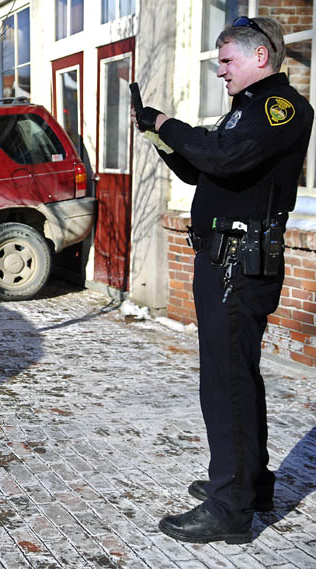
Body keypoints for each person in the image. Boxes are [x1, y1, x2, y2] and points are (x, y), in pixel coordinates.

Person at [132, 17, 313, 544]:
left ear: (261, 58)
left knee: (226, 380)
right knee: (236, 374)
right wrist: (160, 137)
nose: (220, 71)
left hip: (240, 261)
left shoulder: (279, 109)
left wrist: (168, 122)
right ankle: (249, 483)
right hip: (225, 258)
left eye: (227, 61)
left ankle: (230, 506)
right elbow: (202, 168)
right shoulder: (245, 113)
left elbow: (220, 156)